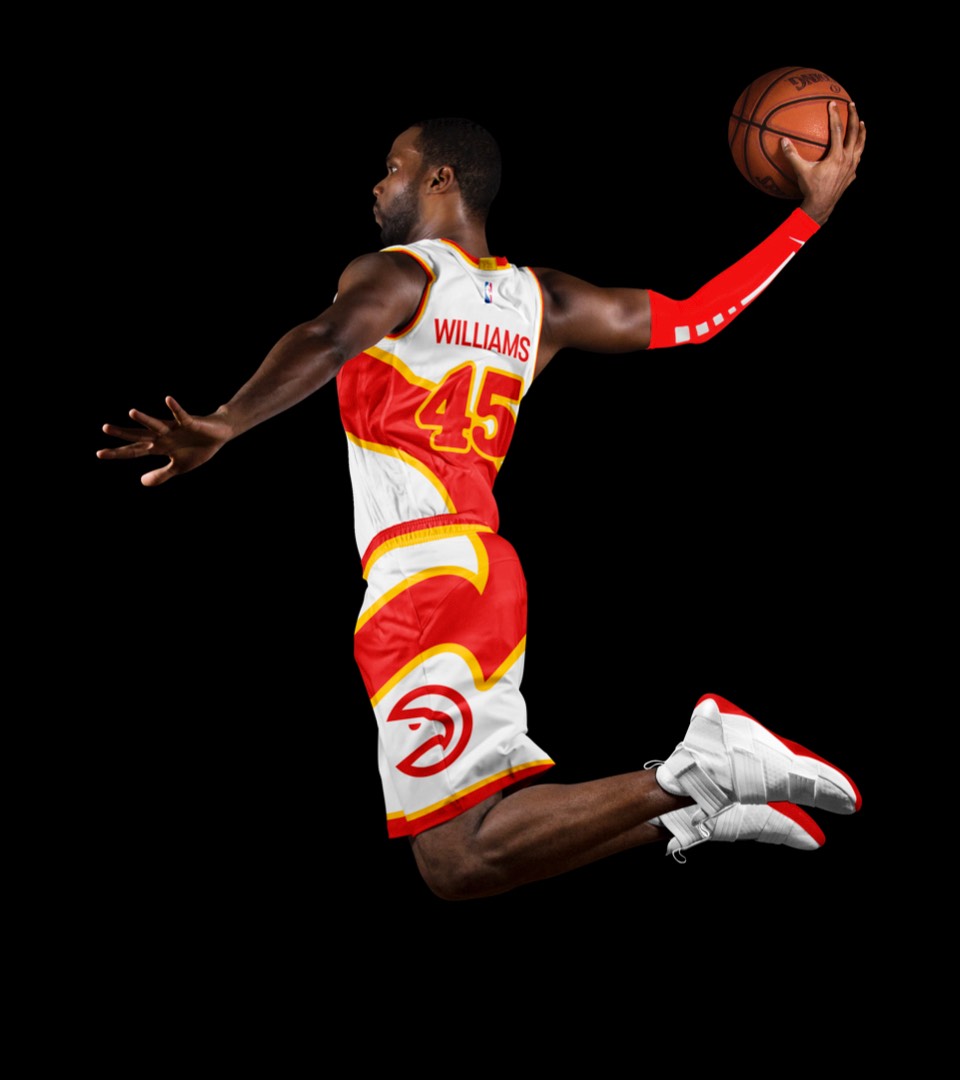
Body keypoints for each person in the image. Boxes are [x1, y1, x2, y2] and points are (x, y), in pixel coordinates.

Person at [99, 110, 866, 899]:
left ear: (441, 178)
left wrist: (229, 420)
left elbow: (328, 340)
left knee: (457, 860)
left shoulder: (400, 273)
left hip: (424, 577)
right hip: (478, 570)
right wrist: (809, 217)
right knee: (456, 864)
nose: (379, 184)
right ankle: (692, 808)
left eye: (393, 166)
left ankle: (700, 769)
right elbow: (697, 318)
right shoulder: (545, 301)